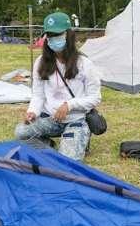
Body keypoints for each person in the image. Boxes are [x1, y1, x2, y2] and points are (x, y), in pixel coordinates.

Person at [15, 12, 102, 161]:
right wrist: (33, 112)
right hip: (51, 119)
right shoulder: (40, 63)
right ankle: (49, 144)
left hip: (76, 120)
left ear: (68, 35)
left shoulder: (84, 64)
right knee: (20, 132)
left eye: (57, 34)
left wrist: (69, 105)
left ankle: (80, 138)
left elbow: (95, 97)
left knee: (66, 161)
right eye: (49, 35)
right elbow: (38, 95)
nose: (53, 39)